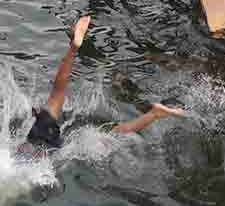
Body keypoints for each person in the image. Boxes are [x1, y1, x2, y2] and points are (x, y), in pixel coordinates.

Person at [18, 16, 185, 159]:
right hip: (45, 144)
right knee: (59, 93)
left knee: (114, 133)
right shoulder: (48, 125)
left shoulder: (35, 135)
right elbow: (58, 88)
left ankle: (154, 114)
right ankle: (74, 48)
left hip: (40, 155)